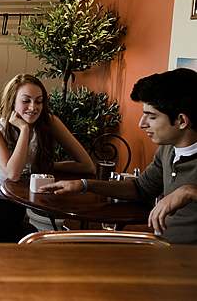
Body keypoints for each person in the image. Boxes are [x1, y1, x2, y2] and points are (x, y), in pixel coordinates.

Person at [40, 68, 197, 244]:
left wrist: (189, 191)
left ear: (182, 121)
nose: (141, 124)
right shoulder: (167, 150)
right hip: (161, 250)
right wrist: (83, 184)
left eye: (151, 117)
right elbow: (140, 189)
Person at [0, 74, 94, 242]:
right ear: (13, 101)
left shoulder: (49, 122)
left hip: (12, 196)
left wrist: (44, 166)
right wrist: (24, 129)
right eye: (26, 101)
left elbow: (87, 166)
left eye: (39, 101)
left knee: (0, 230)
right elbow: (13, 174)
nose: (33, 107)